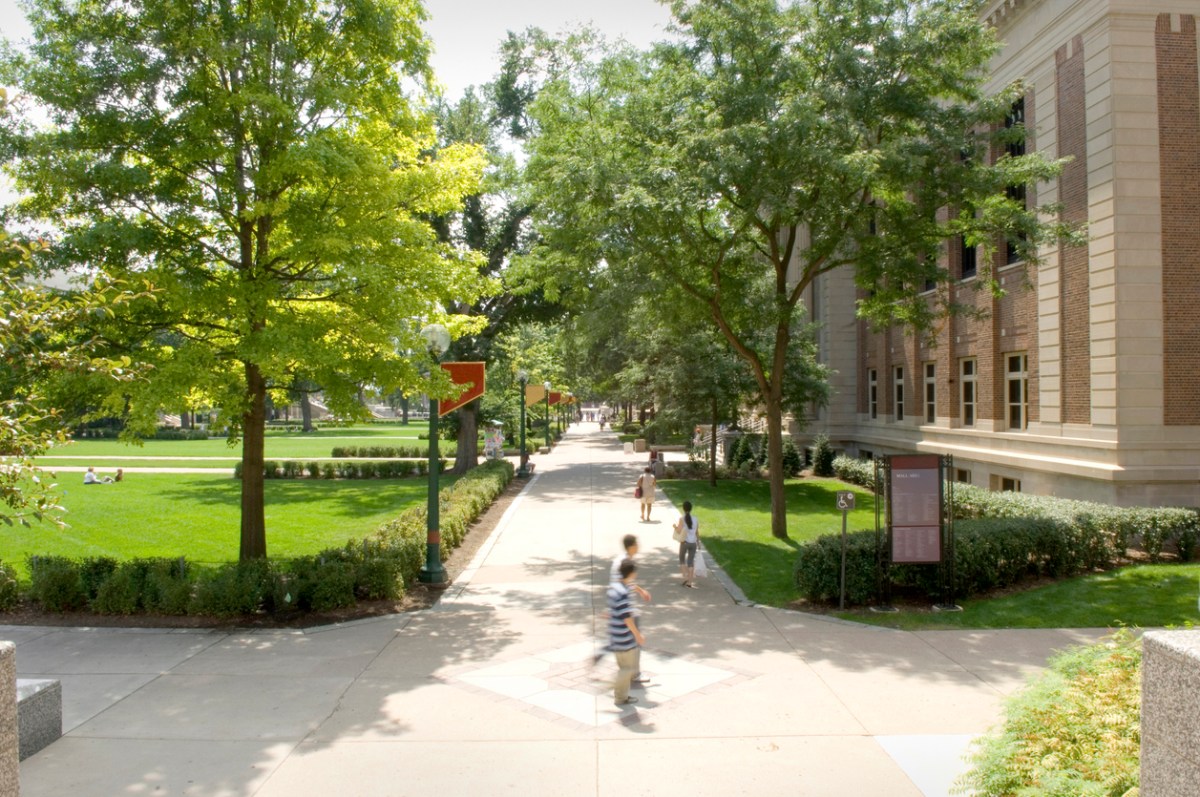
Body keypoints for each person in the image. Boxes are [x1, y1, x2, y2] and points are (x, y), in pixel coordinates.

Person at [610, 534, 651, 684]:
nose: (639, 546)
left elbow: (627, 582)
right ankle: (632, 674)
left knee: (629, 642)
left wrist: (640, 591)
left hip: (625, 607)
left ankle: (629, 672)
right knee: (633, 640)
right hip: (626, 609)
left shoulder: (624, 561)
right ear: (632, 546)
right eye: (637, 543)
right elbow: (620, 584)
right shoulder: (623, 562)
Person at [607, 558, 645, 707]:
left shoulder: (615, 587)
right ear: (631, 573)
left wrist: (641, 591)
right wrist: (637, 635)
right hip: (624, 638)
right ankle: (619, 695)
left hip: (614, 636)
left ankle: (621, 695)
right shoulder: (623, 593)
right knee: (627, 669)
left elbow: (613, 610)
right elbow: (627, 618)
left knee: (623, 667)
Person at [675, 500, 700, 588]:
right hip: (693, 543)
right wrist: (698, 543)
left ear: (683, 508)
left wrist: (675, 527)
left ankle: (685, 576)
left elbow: (678, 531)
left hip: (684, 542)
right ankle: (690, 582)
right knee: (690, 562)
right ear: (691, 509)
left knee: (682, 559)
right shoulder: (696, 519)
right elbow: (697, 532)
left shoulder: (682, 519)